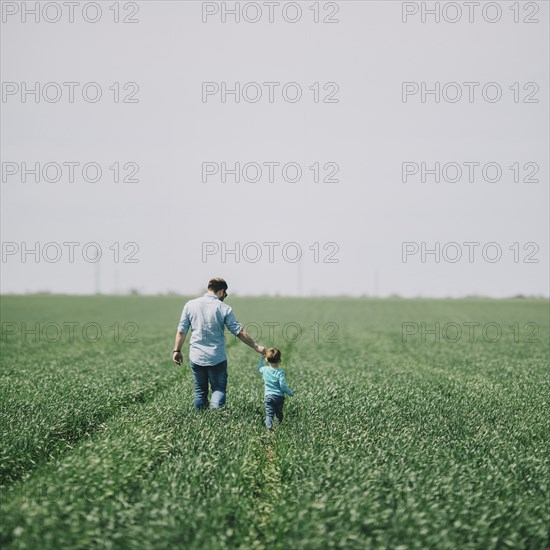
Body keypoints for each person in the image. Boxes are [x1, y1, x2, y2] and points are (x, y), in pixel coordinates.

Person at [172, 277, 266, 410]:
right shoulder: (224, 308)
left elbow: (182, 331)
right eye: (225, 294)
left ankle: (201, 422)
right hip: (217, 357)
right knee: (218, 389)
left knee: (200, 390)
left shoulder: (190, 305)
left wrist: (177, 350)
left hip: (196, 356)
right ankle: (215, 415)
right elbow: (239, 332)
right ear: (221, 291)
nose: (224, 297)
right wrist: (257, 346)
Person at [258, 347, 294, 429]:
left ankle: (269, 427)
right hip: (279, 397)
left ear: (267, 359)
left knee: (269, 414)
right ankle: (279, 426)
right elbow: (283, 386)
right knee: (279, 413)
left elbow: (259, 367)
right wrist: (290, 392)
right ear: (279, 360)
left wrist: (262, 359)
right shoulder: (280, 372)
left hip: (268, 396)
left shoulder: (264, 370)